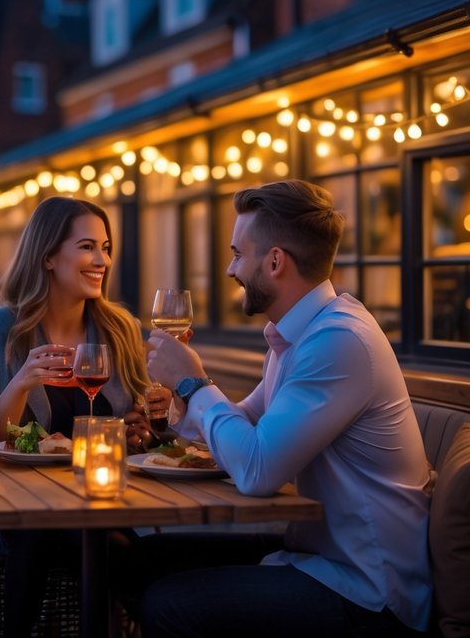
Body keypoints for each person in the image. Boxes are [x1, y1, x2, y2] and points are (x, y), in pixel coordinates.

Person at [131, 179, 432, 637]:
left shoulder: (339, 341)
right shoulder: (299, 334)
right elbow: (248, 423)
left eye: (237, 253)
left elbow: (256, 470)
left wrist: (194, 383)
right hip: (317, 557)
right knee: (141, 560)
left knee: (167, 604)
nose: (231, 269)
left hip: (369, 592)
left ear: (274, 262)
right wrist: (178, 401)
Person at [0, 195, 153, 636]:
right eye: (87, 247)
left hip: (99, 502)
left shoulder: (121, 329)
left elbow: (145, 430)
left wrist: (148, 427)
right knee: (46, 527)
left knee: (95, 536)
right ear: (48, 256)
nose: (101, 260)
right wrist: (21, 382)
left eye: (105, 248)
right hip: (12, 507)